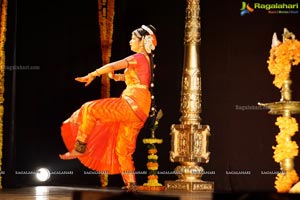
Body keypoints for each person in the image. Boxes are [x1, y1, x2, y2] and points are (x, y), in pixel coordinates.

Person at [59, 24, 157, 190]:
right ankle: (131, 184)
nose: (130, 41)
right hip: (140, 109)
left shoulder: (139, 57)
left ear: (142, 42)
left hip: (131, 103)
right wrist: (116, 77)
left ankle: (80, 147)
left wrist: (92, 74)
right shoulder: (146, 61)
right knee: (123, 149)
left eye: (133, 38)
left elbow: (113, 65)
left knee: (90, 108)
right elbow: (136, 79)